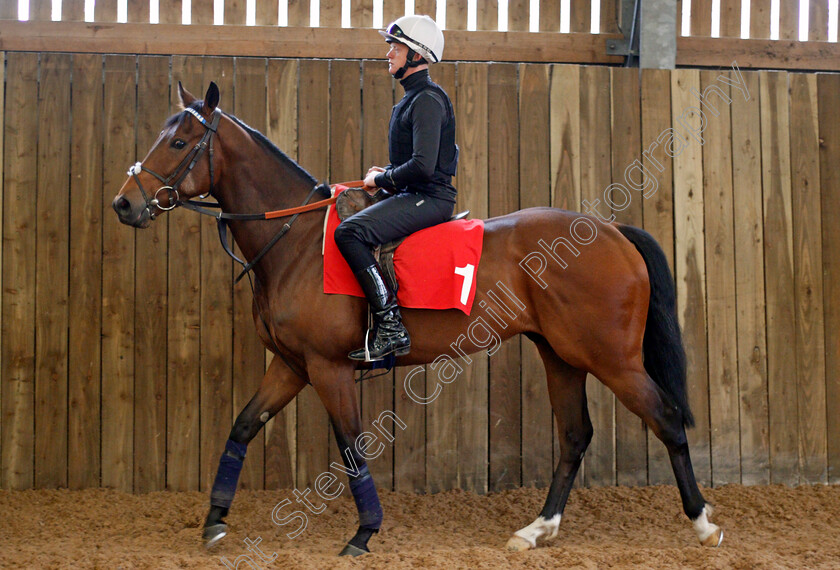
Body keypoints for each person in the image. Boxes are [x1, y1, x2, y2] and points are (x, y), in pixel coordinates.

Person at [334, 14, 459, 362]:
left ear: (417, 55)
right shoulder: (412, 100)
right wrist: (387, 171)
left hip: (430, 199)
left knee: (349, 233)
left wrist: (383, 179)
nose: (388, 53)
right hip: (414, 194)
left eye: (396, 46)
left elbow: (423, 166)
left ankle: (390, 327)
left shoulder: (428, 101)